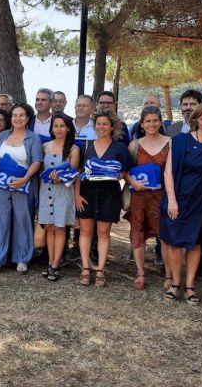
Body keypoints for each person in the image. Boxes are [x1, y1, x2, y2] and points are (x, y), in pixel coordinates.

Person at [160, 101, 202, 304]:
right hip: (178, 199)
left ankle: (190, 286)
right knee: (173, 243)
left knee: (196, 244)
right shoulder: (180, 140)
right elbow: (168, 171)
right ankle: (175, 283)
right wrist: (171, 199)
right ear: (196, 119)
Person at [74, 109, 133, 287]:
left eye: (105, 124)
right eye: (98, 124)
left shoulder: (120, 148)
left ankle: (100, 270)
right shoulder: (87, 146)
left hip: (109, 194)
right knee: (85, 232)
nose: (101, 127)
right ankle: (85, 268)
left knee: (103, 233)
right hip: (87, 192)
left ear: (112, 126)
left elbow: (126, 171)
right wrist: (76, 195)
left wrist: (118, 175)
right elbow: (78, 173)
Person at [0, 104, 42, 274]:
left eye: (21, 115)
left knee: (22, 220)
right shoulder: (3, 135)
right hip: (0, 186)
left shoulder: (33, 138)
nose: (17, 118)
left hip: (23, 185)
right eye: (14, 115)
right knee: (1, 220)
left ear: (27, 118)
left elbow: (36, 161)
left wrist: (25, 179)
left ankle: (22, 259)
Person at [123, 107, 170, 290]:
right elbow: (125, 171)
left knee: (165, 236)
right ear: (142, 124)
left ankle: (169, 274)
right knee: (138, 234)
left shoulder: (170, 143)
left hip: (162, 196)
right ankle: (140, 272)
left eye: (155, 120)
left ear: (160, 122)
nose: (151, 124)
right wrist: (133, 183)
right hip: (139, 197)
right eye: (148, 121)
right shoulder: (134, 145)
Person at [39, 114, 79, 281]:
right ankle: (49, 261)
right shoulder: (44, 146)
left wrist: (60, 178)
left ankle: (56, 264)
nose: (59, 129)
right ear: (52, 128)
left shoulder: (73, 149)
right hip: (46, 191)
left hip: (63, 191)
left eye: (62, 126)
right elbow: (41, 169)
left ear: (68, 128)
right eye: (56, 126)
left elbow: (73, 174)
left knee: (60, 227)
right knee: (49, 227)